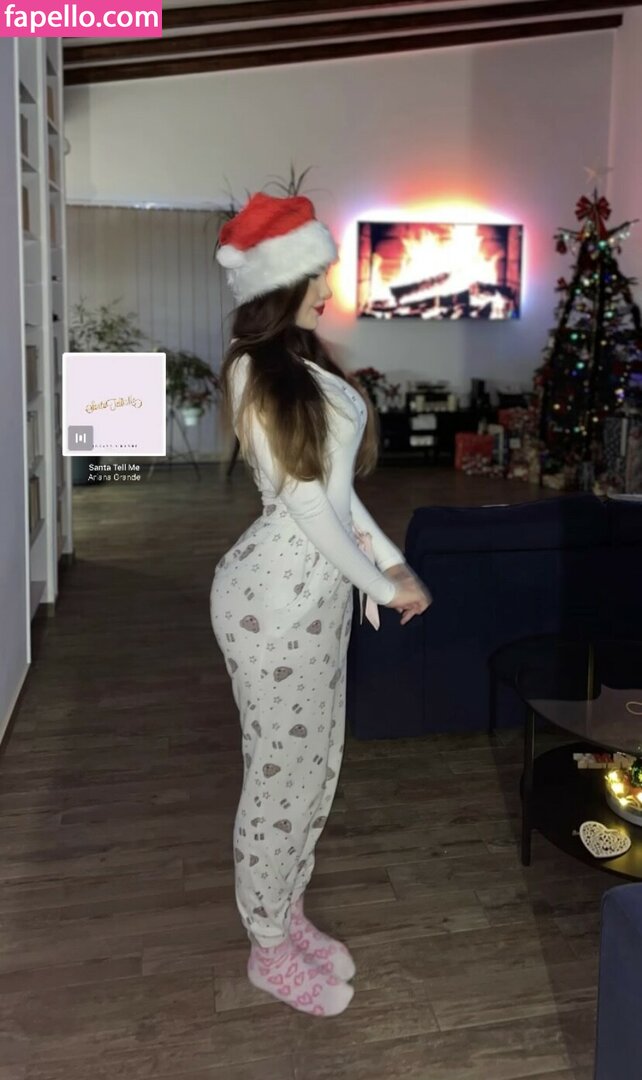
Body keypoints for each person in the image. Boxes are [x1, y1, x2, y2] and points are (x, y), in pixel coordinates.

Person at [210, 192, 431, 1017]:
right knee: (277, 779)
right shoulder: (252, 368)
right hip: (273, 605)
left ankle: (288, 909)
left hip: (318, 599)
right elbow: (305, 506)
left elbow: (338, 497)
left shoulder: (303, 364)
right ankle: (267, 947)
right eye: (320, 274)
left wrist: (391, 562)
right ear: (285, 280)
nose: (331, 288)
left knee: (315, 770)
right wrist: (381, 583)